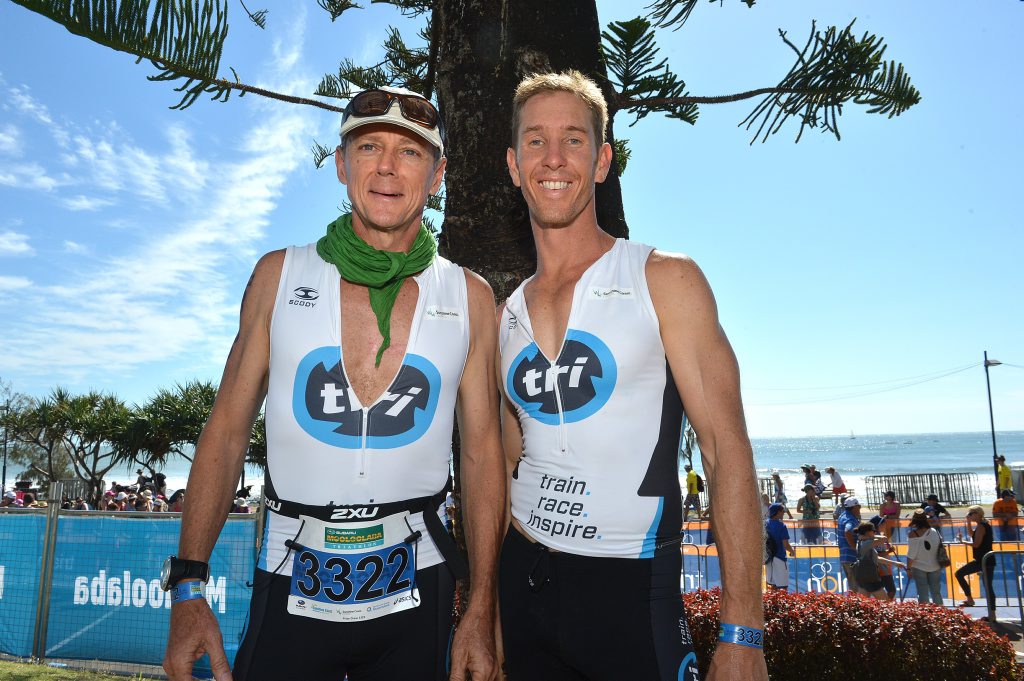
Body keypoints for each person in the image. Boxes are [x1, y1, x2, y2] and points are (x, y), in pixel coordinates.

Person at [162, 86, 505, 681]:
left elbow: (481, 455)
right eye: (369, 146)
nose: (388, 167)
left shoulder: (471, 297)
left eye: (412, 152)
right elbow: (224, 434)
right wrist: (189, 586)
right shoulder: (278, 275)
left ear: (438, 174)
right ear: (342, 164)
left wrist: (481, 608)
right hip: (290, 573)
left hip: (419, 586)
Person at [498, 70, 767, 681]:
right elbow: (510, 459)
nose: (554, 158)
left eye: (574, 139)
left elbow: (727, 450)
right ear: (513, 165)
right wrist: (486, 606)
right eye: (535, 141)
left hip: (630, 586)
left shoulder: (665, 279)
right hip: (526, 583)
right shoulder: (503, 315)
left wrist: (743, 630)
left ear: (602, 161)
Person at [853, 522, 906, 600]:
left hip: (863, 578)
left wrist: (895, 563)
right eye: (873, 530)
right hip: (871, 578)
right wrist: (868, 537)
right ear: (867, 532)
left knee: (863, 605)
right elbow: (884, 538)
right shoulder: (866, 543)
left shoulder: (860, 542)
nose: (875, 532)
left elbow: (877, 558)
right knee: (885, 605)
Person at [955, 505, 994, 609]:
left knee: (987, 587)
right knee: (987, 586)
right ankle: (971, 600)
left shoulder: (982, 526)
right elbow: (972, 534)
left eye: (971, 513)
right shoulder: (981, 525)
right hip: (983, 559)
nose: (969, 515)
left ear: (978, 514)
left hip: (984, 560)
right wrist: (968, 522)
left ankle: (991, 613)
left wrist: (963, 541)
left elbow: (976, 544)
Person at [906, 509, 944, 605]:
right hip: (935, 565)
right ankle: (942, 615)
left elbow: (911, 554)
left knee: (923, 593)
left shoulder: (912, 534)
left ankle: (925, 616)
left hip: (919, 567)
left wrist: (908, 568)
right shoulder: (934, 531)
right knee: (936, 593)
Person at [765, 503, 796, 590]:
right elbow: (785, 545)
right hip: (780, 557)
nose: (784, 513)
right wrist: (792, 551)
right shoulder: (781, 526)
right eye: (783, 511)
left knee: (771, 586)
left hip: (768, 558)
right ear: (777, 512)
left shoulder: (765, 524)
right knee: (783, 587)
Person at [838, 497, 863, 594]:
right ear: (854, 508)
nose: (860, 509)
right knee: (856, 586)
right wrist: (854, 547)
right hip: (851, 556)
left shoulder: (843, 516)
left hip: (845, 556)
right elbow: (847, 531)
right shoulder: (850, 519)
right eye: (859, 507)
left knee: (853, 585)